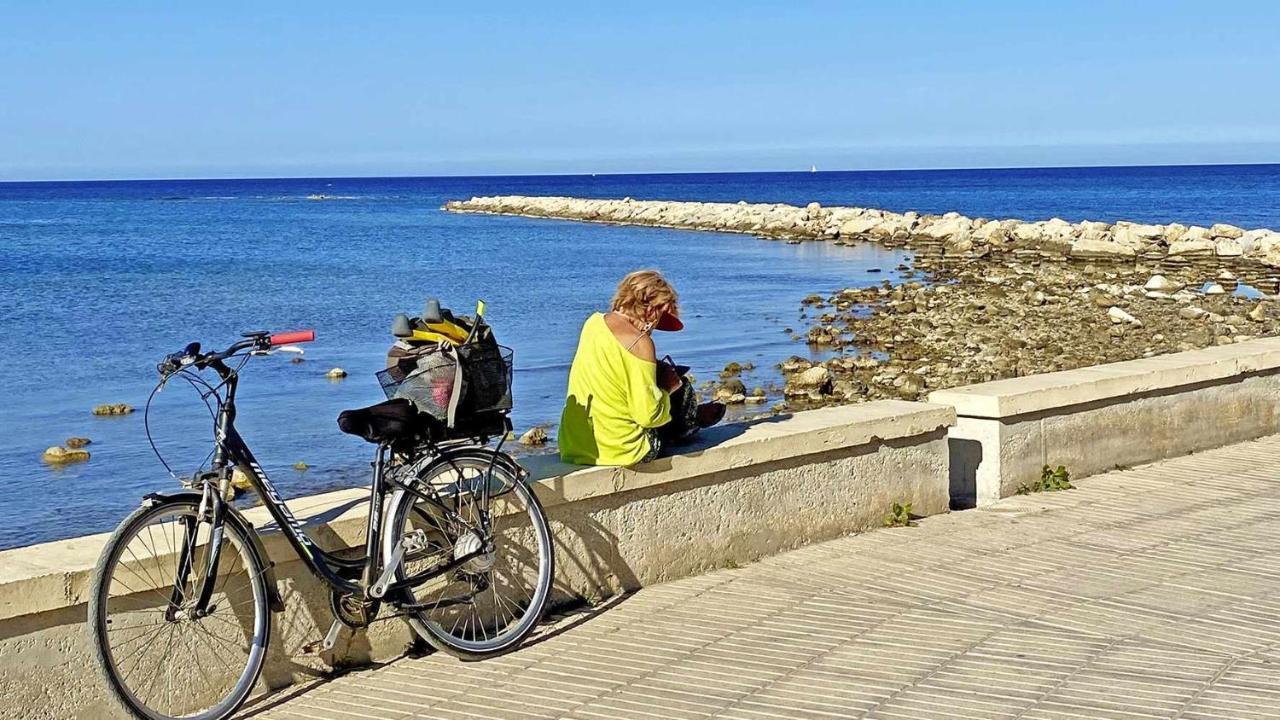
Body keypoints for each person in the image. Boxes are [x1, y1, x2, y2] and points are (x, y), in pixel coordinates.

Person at [559, 270, 725, 465]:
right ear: (654, 309)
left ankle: (693, 419)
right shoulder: (641, 342)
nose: (655, 328)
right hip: (622, 451)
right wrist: (666, 388)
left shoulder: (593, 322)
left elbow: (613, 372)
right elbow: (648, 417)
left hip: (574, 445)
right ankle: (691, 423)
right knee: (683, 386)